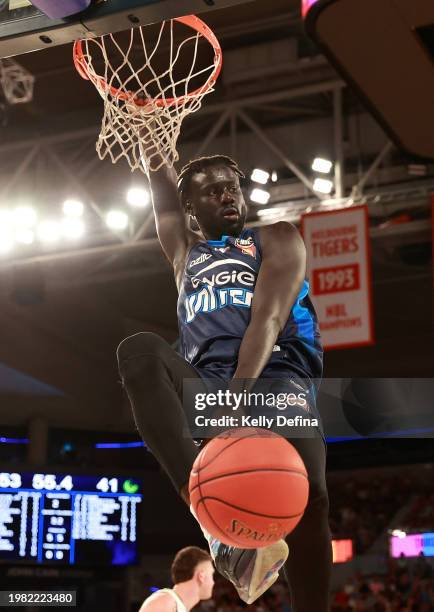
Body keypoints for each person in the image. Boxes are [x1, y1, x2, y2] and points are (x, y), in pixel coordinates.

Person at [117, 155, 332, 610]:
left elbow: (269, 318)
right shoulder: (184, 254)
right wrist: (151, 142)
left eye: (231, 187)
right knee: (138, 352)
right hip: (208, 386)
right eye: (211, 191)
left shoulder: (277, 238)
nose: (226, 195)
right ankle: (212, 521)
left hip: (275, 376)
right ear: (191, 209)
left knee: (311, 496)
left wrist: (231, 400)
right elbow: (165, 202)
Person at [139, 546, 214, 611]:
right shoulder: (166, 602)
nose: (213, 582)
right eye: (211, 575)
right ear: (201, 577)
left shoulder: (175, 604)